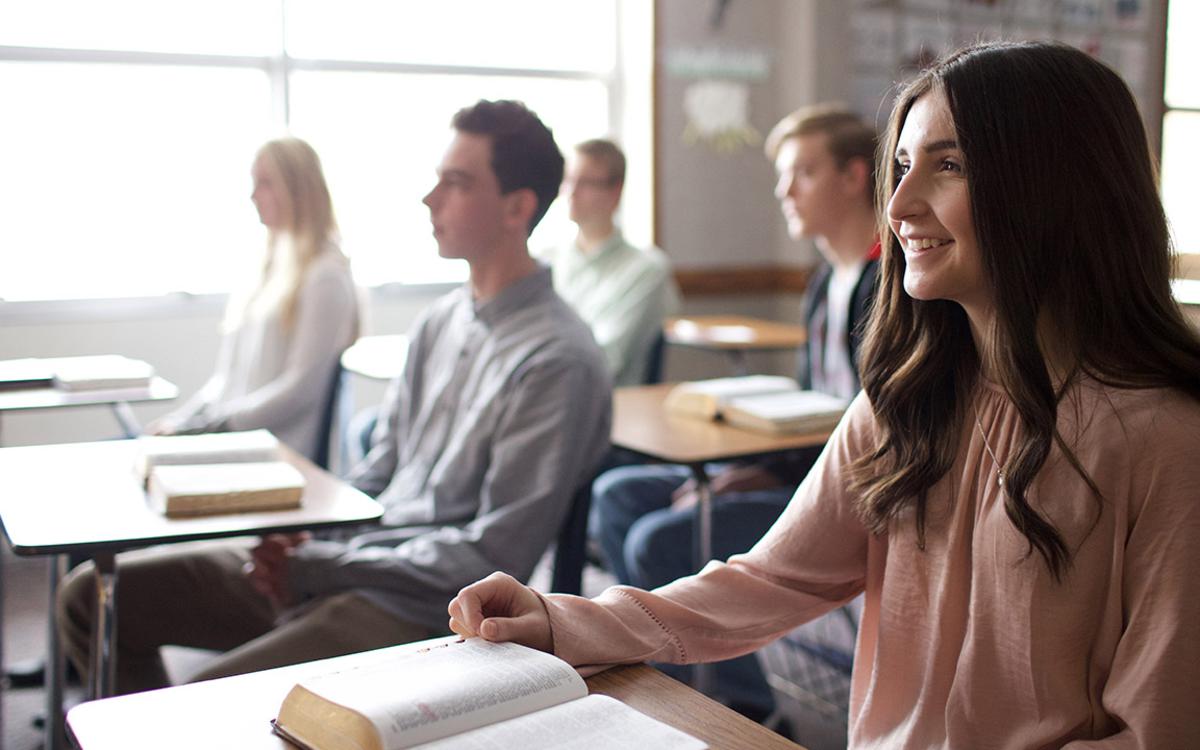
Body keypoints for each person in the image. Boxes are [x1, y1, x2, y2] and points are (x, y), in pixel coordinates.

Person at [448, 41, 1200, 749]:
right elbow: (769, 580)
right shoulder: (907, 400)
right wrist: (559, 619)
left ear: (1056, 187)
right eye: (901, 165)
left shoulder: (1166, 438)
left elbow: (1158, 732)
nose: (899, 204)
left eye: (949, 165)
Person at [58, 100, 613, 695]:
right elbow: (378, 472)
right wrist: (311, 541)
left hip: (428, 610)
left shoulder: (557, 359)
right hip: (352, 561)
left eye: (455, 183)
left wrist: (321, 565)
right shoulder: (440, 321)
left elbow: (491, 558)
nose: (430, 199)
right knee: (90, 596)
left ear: (518, 207)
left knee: (189, 711)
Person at [589, 105, 880, 719]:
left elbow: (863, 433)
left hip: (845, 499)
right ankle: (677, 686)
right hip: (798, 477)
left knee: (660, 541)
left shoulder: (888, 285)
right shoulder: (822, 282)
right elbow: (812, 414)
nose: (784, 191)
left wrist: (768, 476)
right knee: (618, 494)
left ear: (855, 176)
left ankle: (743, 707)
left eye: (802, 172)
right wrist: (764, 473)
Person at [146, 137, 359, 465]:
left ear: (298, 190)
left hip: (273, 453)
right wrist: (181, 422)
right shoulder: (267, 271)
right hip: (234, 438)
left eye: (265, 183)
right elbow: (224, 381)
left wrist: (217, 426)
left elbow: (299, 389)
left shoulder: (325, 276)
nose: (252, 196)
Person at [538, 138, 679, 386]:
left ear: (615, 191)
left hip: (610, 405)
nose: (571, 192)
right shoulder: (547, 261)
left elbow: (605, 358)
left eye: (585, 182)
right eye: (568, 180)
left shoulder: (645, 269)